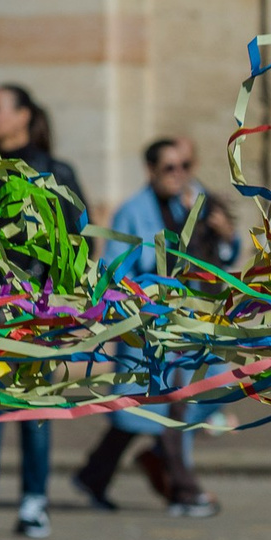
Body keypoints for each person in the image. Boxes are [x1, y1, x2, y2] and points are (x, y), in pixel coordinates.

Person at [0, 82, 89, 538]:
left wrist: (73, 305)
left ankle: (34, 502)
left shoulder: (55, 172)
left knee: (32, 403)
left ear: (24, 116)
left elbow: (77, 244)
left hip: (37, 308)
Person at [73, 135, 231, 518]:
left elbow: (220, 259)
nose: (179, 176)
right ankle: (184, 488)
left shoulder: (194, 204)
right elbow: (114, 270)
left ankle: (96, 474)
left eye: (185, 167)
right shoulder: (131, 212)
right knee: (162, 406)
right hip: (149, 329)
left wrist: (221, 232)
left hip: (188, 325)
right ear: (151, 170)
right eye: (170, 168)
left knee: (155, 408)